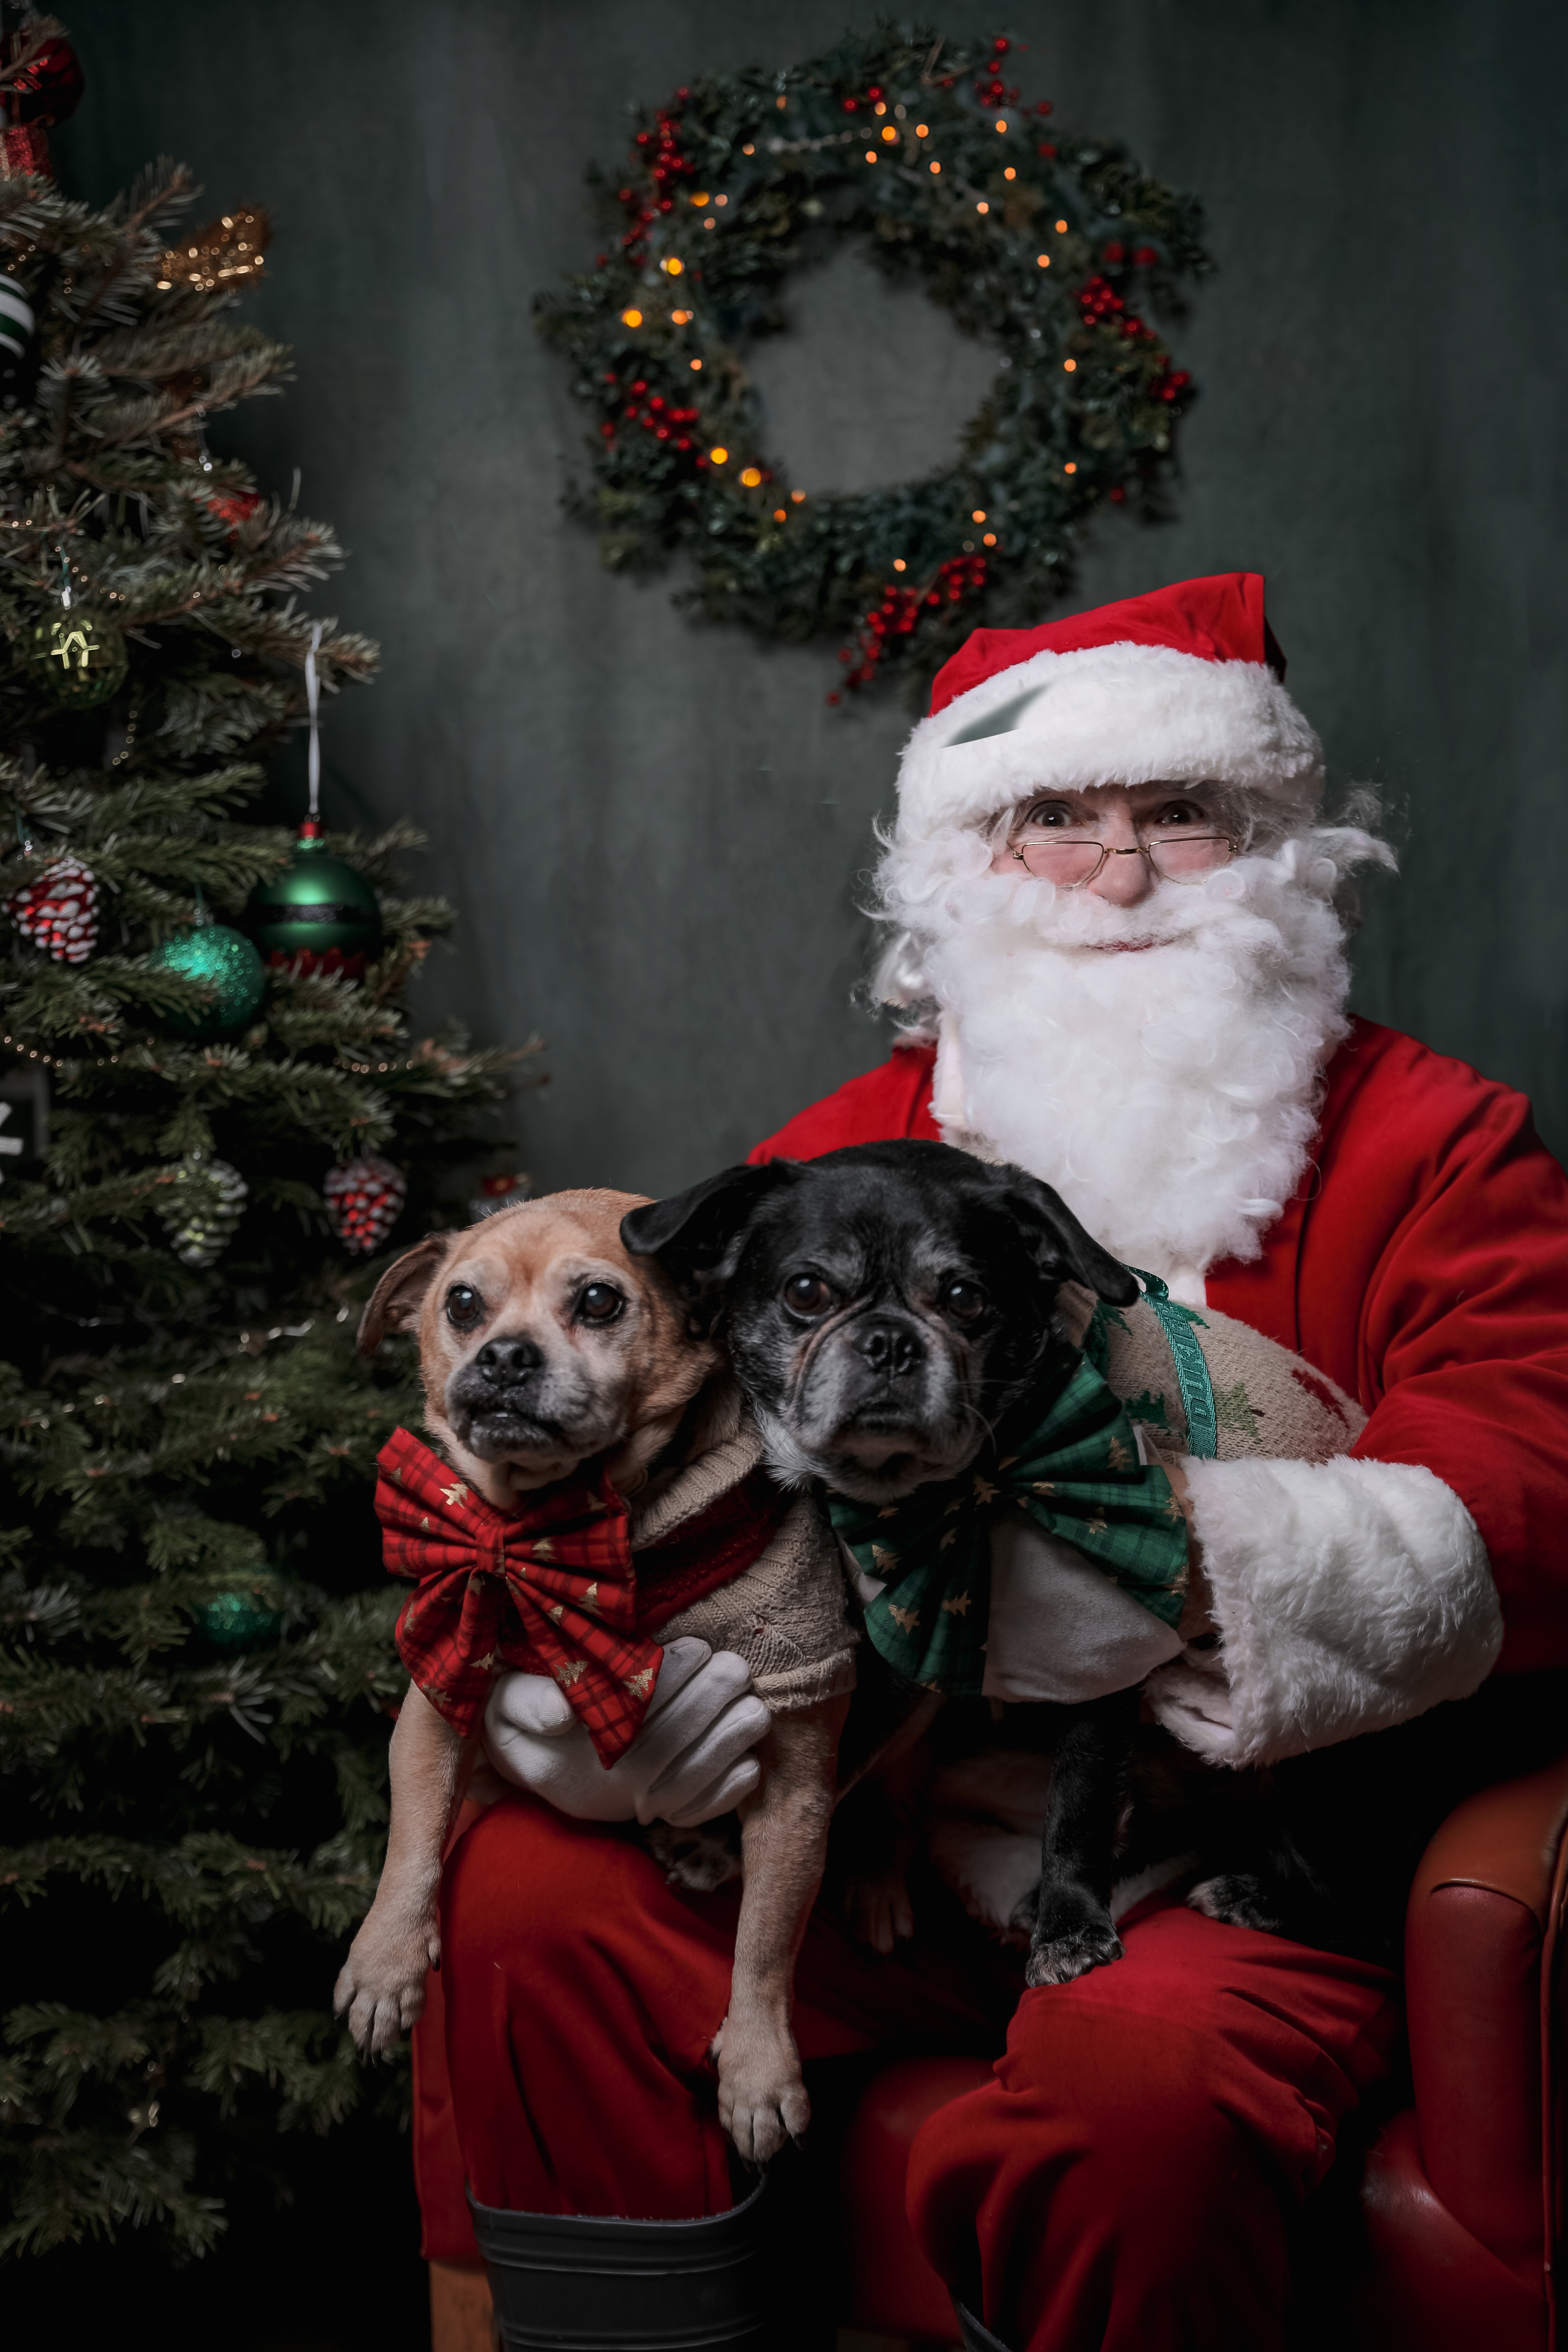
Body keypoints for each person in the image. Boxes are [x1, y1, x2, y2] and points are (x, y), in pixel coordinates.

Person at [413, 574, 1568, 2351]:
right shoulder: (838, 1150)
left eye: (1178, 817)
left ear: (1273, 848)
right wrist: (582, 1697)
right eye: (1053, 820)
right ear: (962, 866)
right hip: (877, 1819)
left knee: (1138, 2098)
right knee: (542, 1903)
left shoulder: (1437, 1139)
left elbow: (1533, 1462)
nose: (1115, 878)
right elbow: (630, 1405)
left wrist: (1193, 1568)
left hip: (1216, 1850)